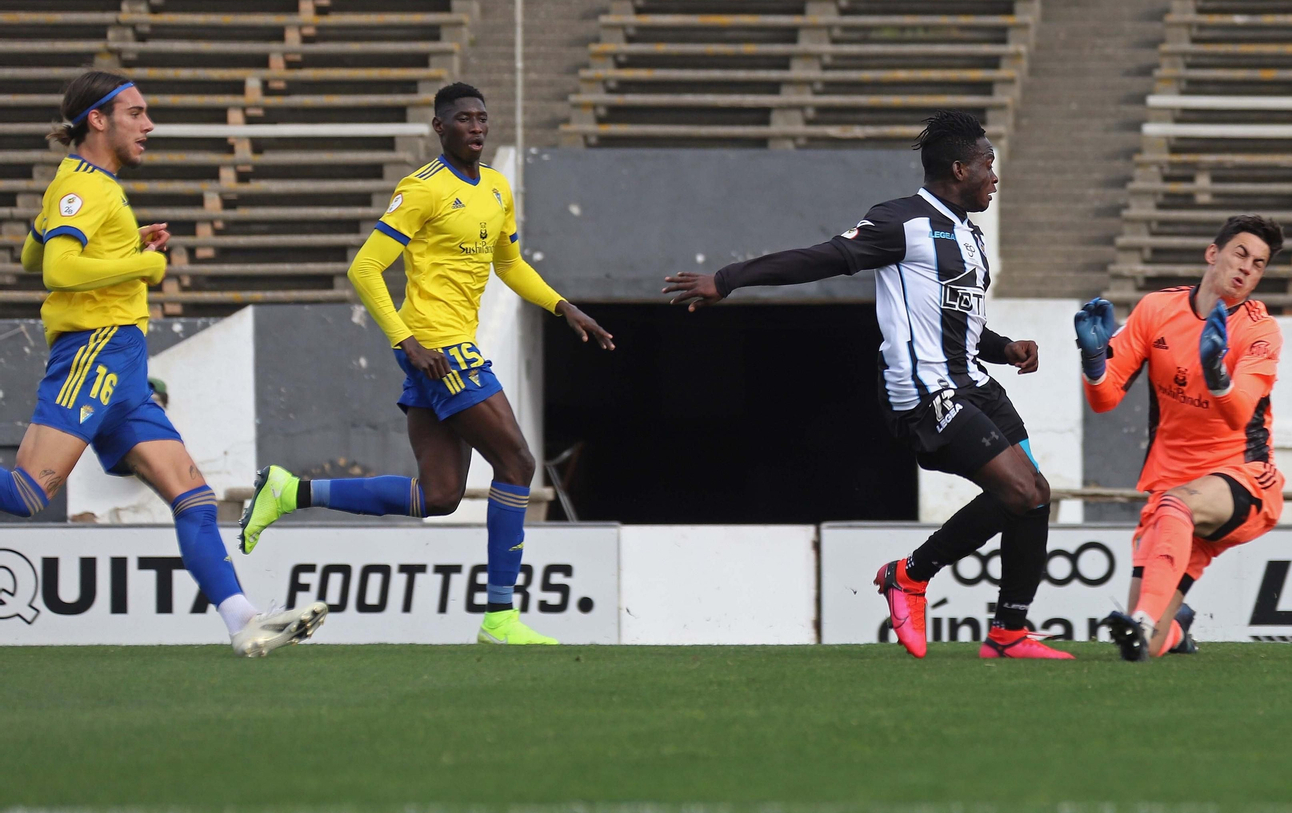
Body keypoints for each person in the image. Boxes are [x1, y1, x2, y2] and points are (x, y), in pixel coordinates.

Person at [664, 110, 1069, 660]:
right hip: (928, 394)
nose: (995, 177)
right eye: (988, 166)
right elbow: (822, 258)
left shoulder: (970, 236)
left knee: (1036, 497)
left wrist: (1005, 349)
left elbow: (959, 323)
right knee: (1019, 491)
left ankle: (1008, 633)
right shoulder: (900, 222)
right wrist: (729, 279)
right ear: (958, 168)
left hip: (977, 386)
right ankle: (910, 575)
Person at [238, 83, 614, 646]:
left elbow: (509, 264)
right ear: (440, 128)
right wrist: (406, 341)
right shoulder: (421, 189)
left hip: (450, 349)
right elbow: (365, 269)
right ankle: (500, 617)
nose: (477, 128)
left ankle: (291, 492)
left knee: (438, 496)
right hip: (440, 351)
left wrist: (562, 306)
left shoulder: (495, 188)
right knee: (516, 461)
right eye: (464, 119)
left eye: (483, 119)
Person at [0, 70, 327, 656]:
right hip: (94, 353)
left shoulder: (87, 184)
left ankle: (242, 620)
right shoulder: (88, 187)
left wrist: (122, 247)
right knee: (29, 493)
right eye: (135, 114)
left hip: (123, 366)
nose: (148, 125)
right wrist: (139, 267)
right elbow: (53, 270)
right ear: (97, 119)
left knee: (192, 494)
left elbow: (30, 250)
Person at [1076, 214, 1286, 661]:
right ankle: (1172, 629)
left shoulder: (1259, 330)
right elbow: (1105, 398)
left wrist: (1216, 374)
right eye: (1241, 253)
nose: (1248, 267)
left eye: (1260, 264)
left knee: (1176, 510)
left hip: (1243, 479)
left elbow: (1238, 413)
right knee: (1143, 649)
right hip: (1171, 486)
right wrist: (1094, 361)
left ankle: (1147, 620)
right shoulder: (1156, 310)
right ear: (1214, 253)